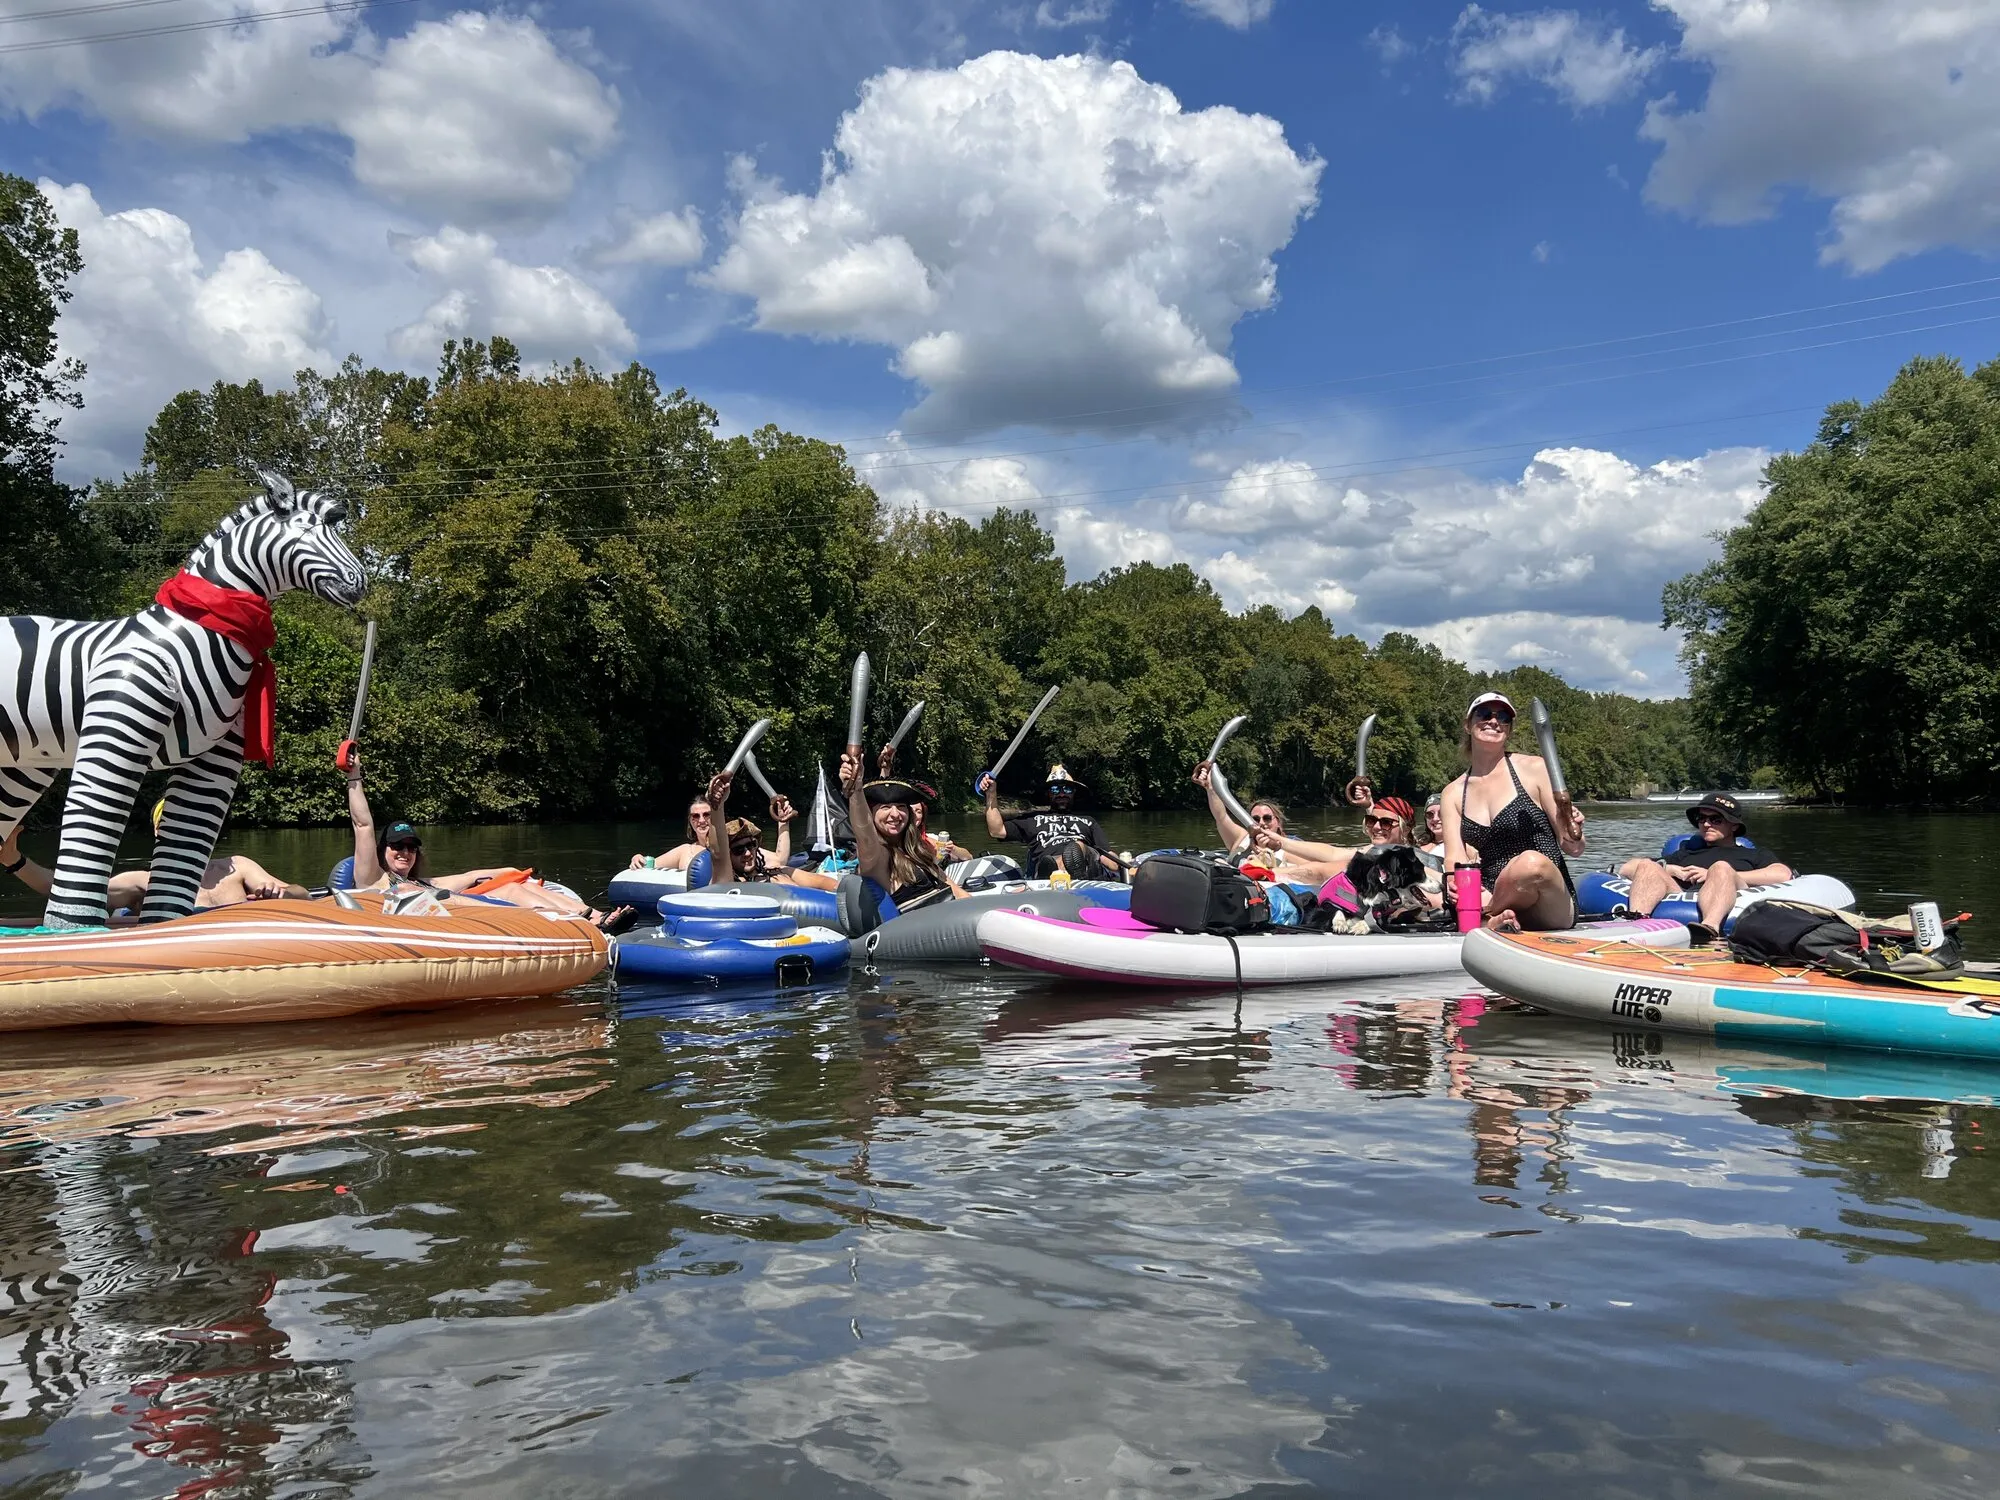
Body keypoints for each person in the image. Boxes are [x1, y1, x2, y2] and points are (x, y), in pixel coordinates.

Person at [344, 751, 632, 927]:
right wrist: (354, 777)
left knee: (511, 889)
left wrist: (506, 872)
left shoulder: (425, 883)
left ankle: (595, 915)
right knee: (503, 898)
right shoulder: (373, 881)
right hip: (457, 918)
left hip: (460, 909)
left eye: (411, 847)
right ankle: (578, 923)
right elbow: (363, 825)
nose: (405, 852)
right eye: (397, 847)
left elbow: (471, 875)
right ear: (383, 850)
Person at [1438, 692, 1585, 932]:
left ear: (1510, 729)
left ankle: (1485, 919)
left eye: (1503, 717)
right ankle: (1492, 918)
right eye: (1485, 714)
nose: (1494, 721)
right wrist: (1454, 882)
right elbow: (1455, 858)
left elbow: (1574, 848)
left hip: (1549, 901)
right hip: (1486, 894)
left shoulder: (1535, 768)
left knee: (1530, 863)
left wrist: (1572, 824)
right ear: (1467, 724)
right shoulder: (1453, 793)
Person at [2, 809, 305, 916]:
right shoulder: (146, 881)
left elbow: (303, 894)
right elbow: (71, 889)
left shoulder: (237, 866)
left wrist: (280, 893)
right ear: (159, 832)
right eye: (172, 824)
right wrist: (14, 860)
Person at [1615, 793, 1791, 944]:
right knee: (1647, 865)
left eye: (1716, 820)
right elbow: (1627, 868)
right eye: (1702, 819)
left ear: (1734, 826)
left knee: (1720, 868)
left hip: (1733, 894)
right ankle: (1635, 924)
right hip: (1683, 895)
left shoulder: (1753, 855)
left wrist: (1718, 874)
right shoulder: (1687, 853)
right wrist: (1672, 869)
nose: (1707, 824)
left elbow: (1782, 874)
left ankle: (1709, 929)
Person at [841, 751, 959, 911]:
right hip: (919, 931)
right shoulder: (877, 857)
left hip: (952, 921)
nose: (895, 814)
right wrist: (856, 789)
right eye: (885, 807)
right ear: (872, 814)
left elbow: (957, 892)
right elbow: (864, 832)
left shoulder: (918, 853)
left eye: (901, 807)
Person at [983, 764, 1121, 879]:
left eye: (1067, 789)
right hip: (1045, 867)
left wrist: (1121, 865)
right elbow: (997, 831)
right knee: (1049, 861)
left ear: (1074, 793)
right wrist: (991, 794)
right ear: (1048, 793)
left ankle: (1059, 870)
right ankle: (1053, 871)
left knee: (1077, 846)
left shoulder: (1088, 821)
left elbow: (1106, 854)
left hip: (1087, 868)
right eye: (1055, 789)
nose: (1061, 794)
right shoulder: (1032, 819)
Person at [701, 771, 819, 886]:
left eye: (751, 845)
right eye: (738, 849)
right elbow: (719, 853)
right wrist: (717, 805)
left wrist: (783, 821)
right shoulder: (725, 882)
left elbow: (781, 859)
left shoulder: (777, 872)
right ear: (728, 855)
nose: (747, 853)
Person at [1190, 762, 1293, 870]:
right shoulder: (1241, 838)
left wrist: (1265, 851)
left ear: (1278, 822)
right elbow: (1221, 817)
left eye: (1267, 818)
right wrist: (1210, 787)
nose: (1261, 823)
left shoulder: (1290, 849)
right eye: (1255, 819)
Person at [628, 798, 716, 872]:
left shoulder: (727, 848)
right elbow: (651, 864)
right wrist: (637, 858)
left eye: (706, 814)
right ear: (690, 821)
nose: (701, 820)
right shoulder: (685, 850)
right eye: (696, 816)